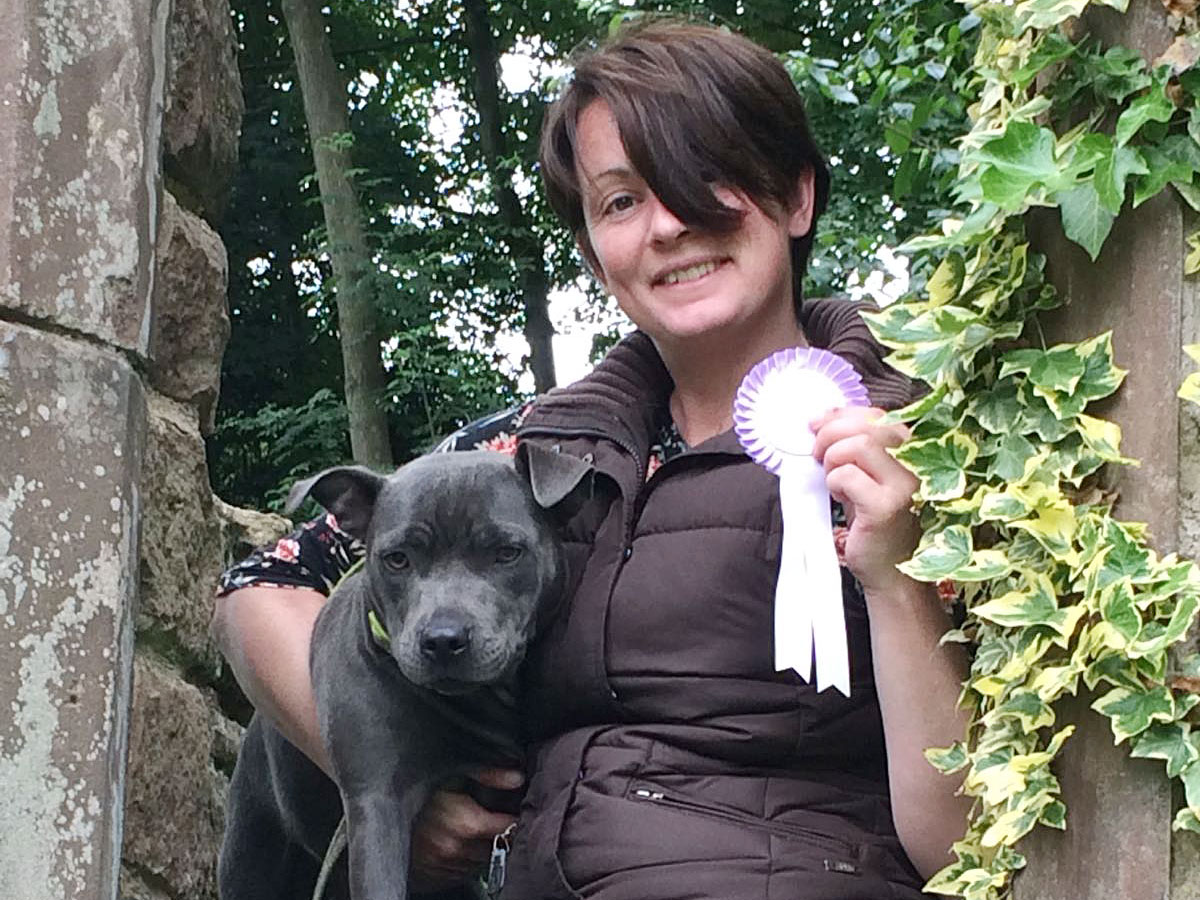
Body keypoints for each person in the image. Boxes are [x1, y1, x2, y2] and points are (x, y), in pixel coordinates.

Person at [212, 18, 971, 899]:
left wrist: (897, 575)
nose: (668, 225)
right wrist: (387, 778)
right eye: (619, 202)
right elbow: (258, 588)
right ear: (595, 255)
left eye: (705, 177)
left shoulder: (924, 440)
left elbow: (964, 845)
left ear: (797, 197)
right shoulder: (529, 449)